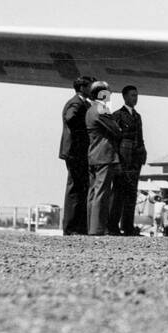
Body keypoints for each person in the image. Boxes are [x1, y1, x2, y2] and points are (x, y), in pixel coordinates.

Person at [85, 81, 126, 236]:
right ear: (102, 93)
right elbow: (117, 130)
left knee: (93, 192)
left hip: (94, 155)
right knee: (102, 193)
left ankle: (92, 227)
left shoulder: (90, 110)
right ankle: (97, 229)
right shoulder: (101, 108)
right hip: (105, 155)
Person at [59, 76, 95, 235]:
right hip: (75, 151)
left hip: (78, 152)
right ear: (83, 88)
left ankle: (78, 227)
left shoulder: (83, 103)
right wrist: (83, 133)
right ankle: (71, 227)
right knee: (75, 188)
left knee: (80, 188)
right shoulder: (76, 103)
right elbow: (71, 118)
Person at [113, 85, 147, 236]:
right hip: (123, 158)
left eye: (136, 95)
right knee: (119, 192)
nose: (135, 98)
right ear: (125, 97)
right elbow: (115, 140)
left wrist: (143, 153)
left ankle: (128, 226)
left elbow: (140, 138)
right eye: (132, 95)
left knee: (132, 193)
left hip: (135, 159)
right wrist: (116, 160)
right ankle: (113, 226)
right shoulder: (118, 115)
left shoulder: (137, 116)